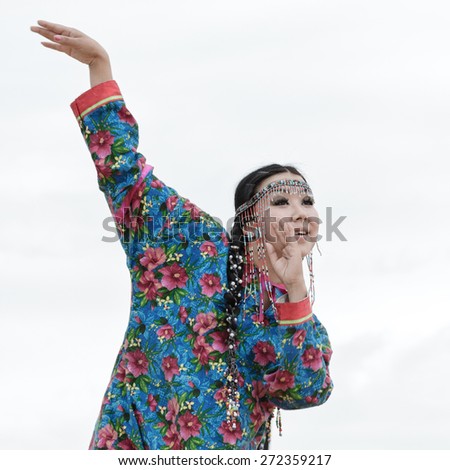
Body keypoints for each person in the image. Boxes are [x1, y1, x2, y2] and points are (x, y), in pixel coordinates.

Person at [30, 20, 333, 450]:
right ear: (248, 220)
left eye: (307, 203)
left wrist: (294, 285)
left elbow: (306, 391)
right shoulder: (187, 243)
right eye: (281, 201)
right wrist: (100, 67)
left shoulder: (291, 305)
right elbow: (126, 176)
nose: (298, 212)